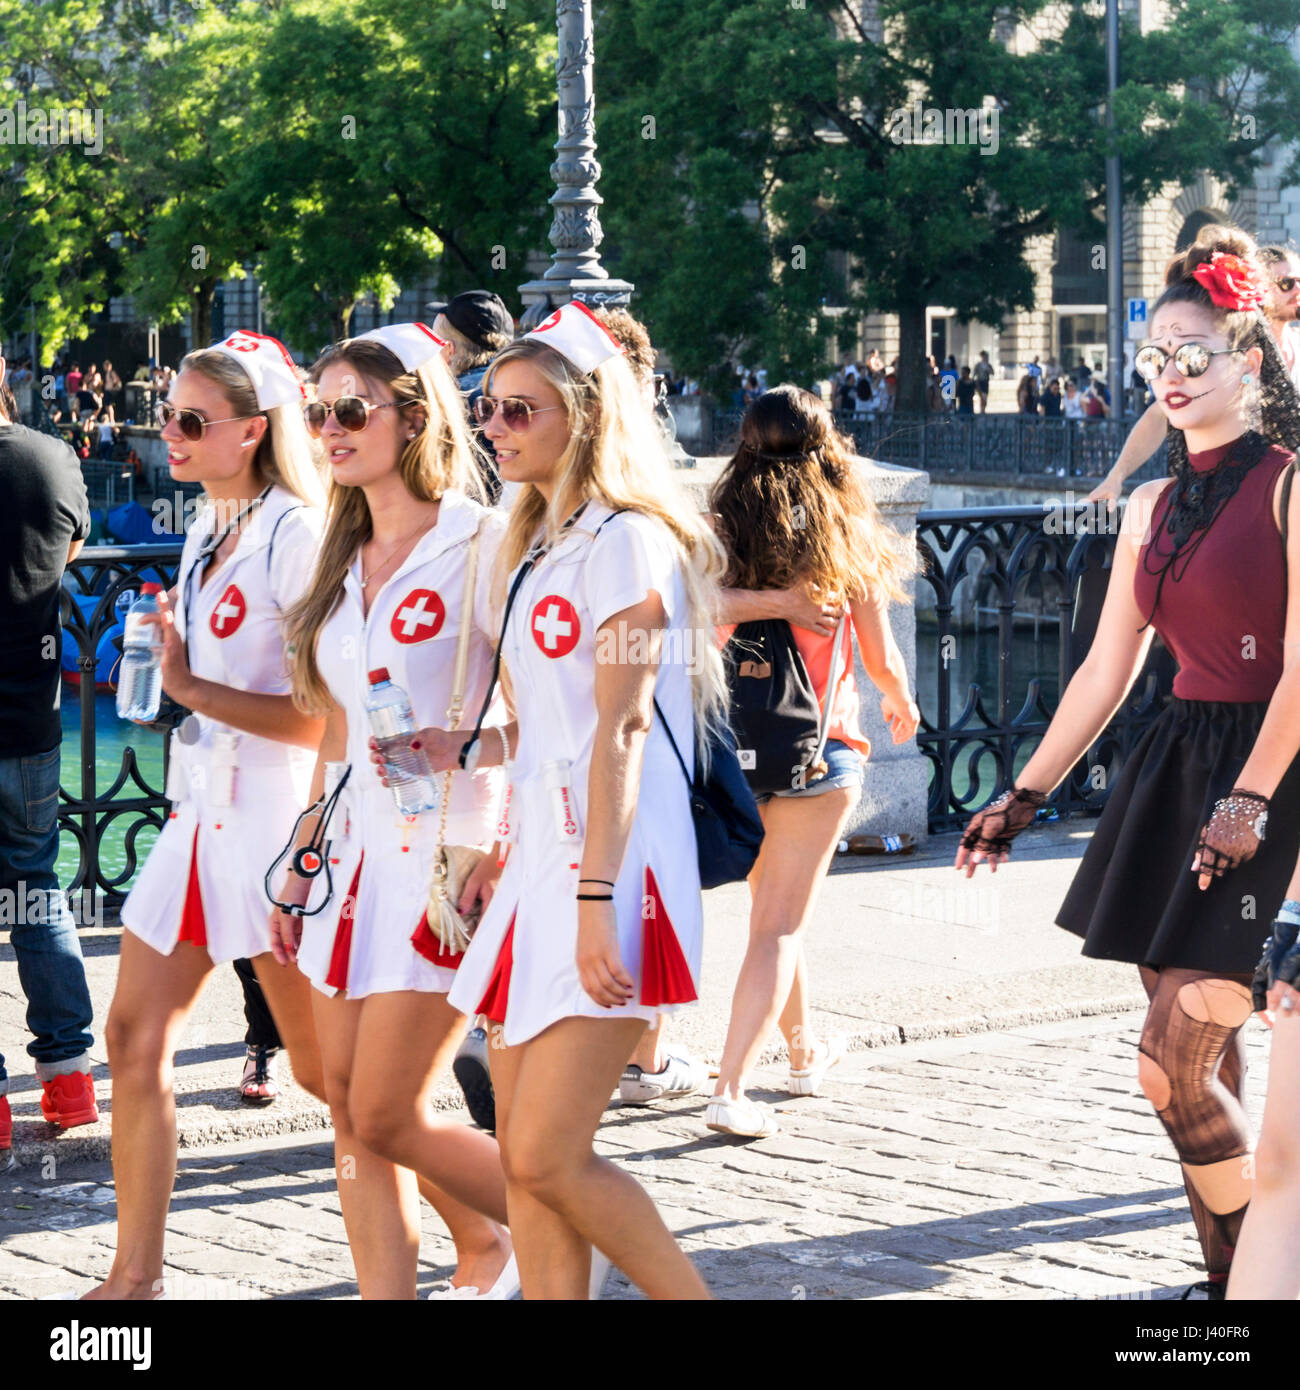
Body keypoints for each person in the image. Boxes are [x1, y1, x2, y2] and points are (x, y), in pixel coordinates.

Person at [956, 224, 1300, 1300]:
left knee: (1173, 1053)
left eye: (1192, 353)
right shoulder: (1150, 506)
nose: (1171, 375)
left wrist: (1248, 800)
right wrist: (1020, 795)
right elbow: (1104, 672)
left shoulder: (1291, 487)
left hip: (1272, 774)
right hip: (1177, 767)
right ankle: (1236, 1277)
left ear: (1248, 357)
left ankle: (1259, 1272)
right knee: (1191, 1060)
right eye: (1156, 360)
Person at [417, 301, 725, 1299]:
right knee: (523, 1162)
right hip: (543, 863)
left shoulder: (628, 541)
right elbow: (555, 727)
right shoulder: (536, 539)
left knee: (549, 1155)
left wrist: (596, 900)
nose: (492, 427)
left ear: (586, 417)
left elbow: (624, 728)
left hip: (615, 869)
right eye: (488, 407)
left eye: (518, 410)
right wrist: (472, 760)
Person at [84, 331, 329, 1301]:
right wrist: (171, 666)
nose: (168, 433)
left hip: (274, 829)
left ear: (253, 433)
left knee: (336, 1084)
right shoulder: (204, 525)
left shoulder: (299, 531)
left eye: (191, 420)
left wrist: (187, 680)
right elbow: (208, 682)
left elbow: (317, 719)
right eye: (166, 414)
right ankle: (134, 1275)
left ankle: (490, 1231)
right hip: (198, 817)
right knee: (133, 1038)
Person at [276, 323, 516, 1301]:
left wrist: (484, 846)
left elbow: (547, 707)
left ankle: (554, 1214)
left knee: (387, 1109)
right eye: (315, 412)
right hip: (355, 857)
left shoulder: (483, 541)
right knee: (344, 1106)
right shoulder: (341, 555)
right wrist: (301, 848)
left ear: (413, 416)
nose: (327, 430)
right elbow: (339, 727)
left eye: (349, 410)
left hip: (446, 855)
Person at [705, 387, 920, 1137]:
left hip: (736, 751)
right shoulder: (842, 530)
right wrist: (898, 701)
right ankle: (730, 1087)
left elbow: (690, 606)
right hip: (819, 753)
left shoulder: (719, 526)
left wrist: (766, 602)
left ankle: (800, 1056)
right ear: (827, 446)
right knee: (778, 928)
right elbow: (880, 655)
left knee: (773, 918)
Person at [0, 357, 97, 1152]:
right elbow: (68, 555)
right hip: (30, 717)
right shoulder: (53, 457)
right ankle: (68, 1082)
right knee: (36, 890)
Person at [1088, 242, 1300, 506]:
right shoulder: (1222, 335)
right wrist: (1115, 476)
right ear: (1261, 287)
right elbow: (1158, 414)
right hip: (1220, 486)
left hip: (1276, 484)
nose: (1296, 290)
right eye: (1286, 283)